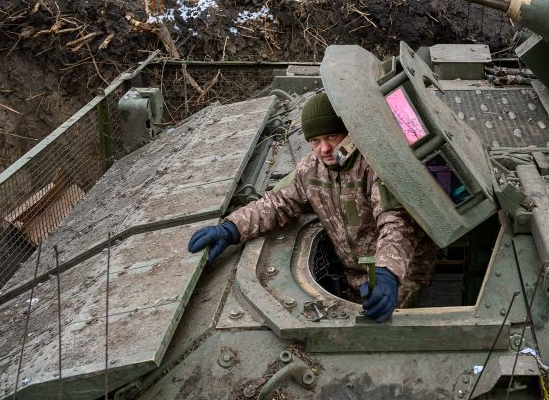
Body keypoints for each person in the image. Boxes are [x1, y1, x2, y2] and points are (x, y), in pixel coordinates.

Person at [187, 91, 436, 322]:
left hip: (401, 271)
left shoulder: (374, 165)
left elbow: (396, 222)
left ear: (348, 133)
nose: (324, 149)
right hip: (355, 273)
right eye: (315, 141)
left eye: (331, 136)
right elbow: (280, 203)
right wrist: (232, 228)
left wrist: (387, 274)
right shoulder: (311, 169)